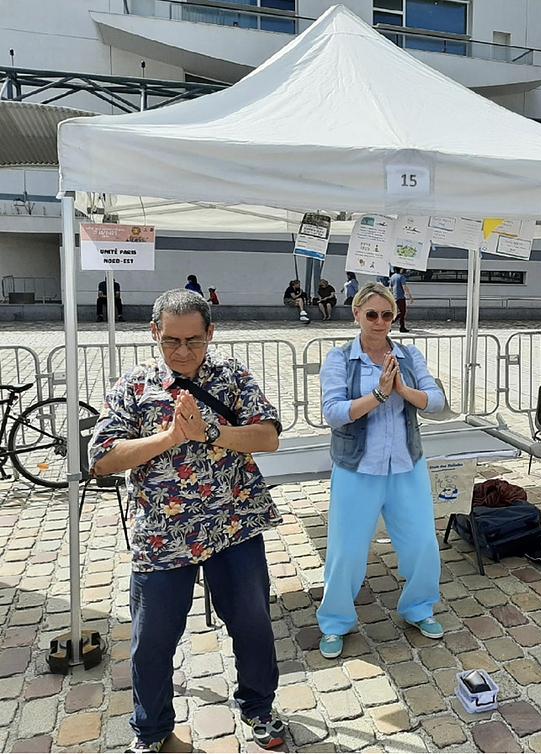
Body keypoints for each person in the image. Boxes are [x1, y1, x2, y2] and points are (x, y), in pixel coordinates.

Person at [88, 289, 285, 753]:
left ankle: (259, 705)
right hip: (163, 534)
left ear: (210, 333)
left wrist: (212, 432)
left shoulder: (232, 376)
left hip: (232, 522)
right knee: (152, 638)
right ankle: (152, 730)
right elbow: (101, 458)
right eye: (171, 341)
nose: (182, 351)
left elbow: (268, 436)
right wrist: (169, 437)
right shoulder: (135, 386)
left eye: (193, 341)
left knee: (253, 623)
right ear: (154, 334)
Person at [317, 283, 446, 659]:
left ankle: (419, 608)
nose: (379, 322)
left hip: (406, 465)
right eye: (371, 314)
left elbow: (436, 401)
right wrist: (377, 395)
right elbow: (333, 413)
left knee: (422, 542)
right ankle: (335, 621)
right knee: (347, 551)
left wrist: (402, 390)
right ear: (356, 314)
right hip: (358, 468)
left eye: (387, 315)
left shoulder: (409, 354)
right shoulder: (339, 358)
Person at [389, 267, 413, 333]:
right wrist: (410, 297)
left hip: (394, 297)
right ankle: (391, 323)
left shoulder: (392, 277)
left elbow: (390, 288)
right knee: (402, 312)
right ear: (400, 269)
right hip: (401, 297)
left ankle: (401, 326)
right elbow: (404, 287)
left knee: (398, 312)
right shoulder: (401, 277)